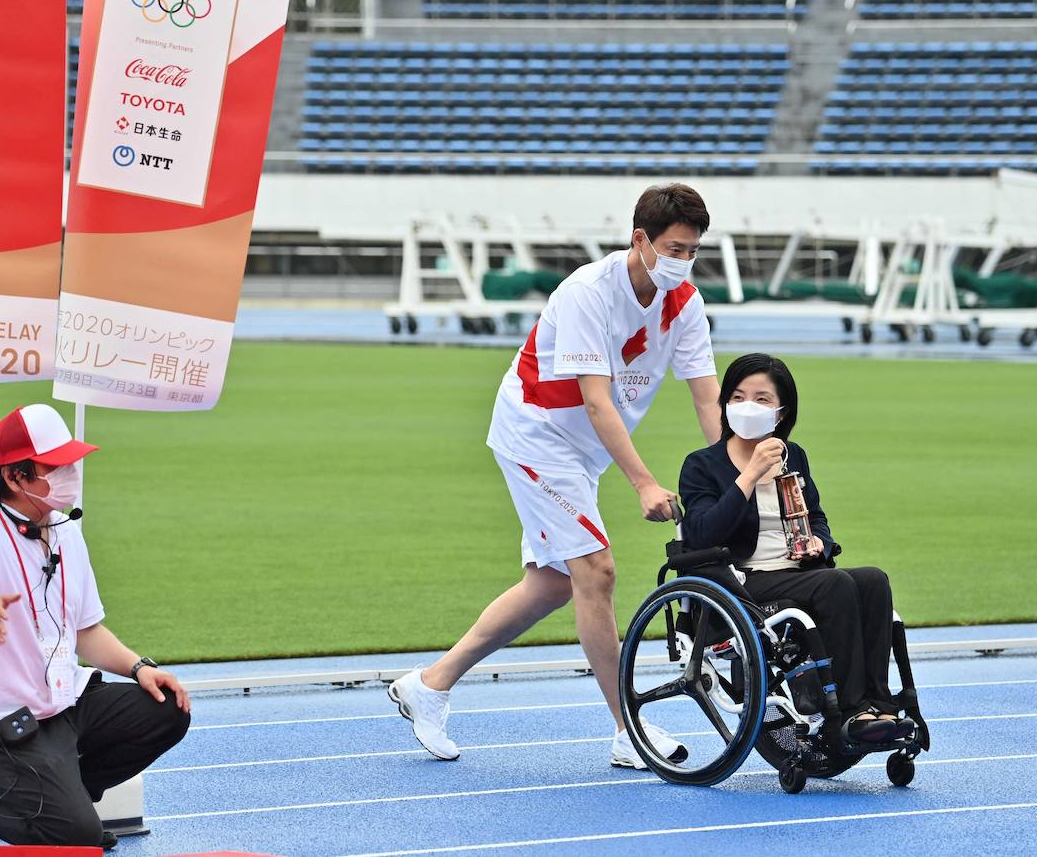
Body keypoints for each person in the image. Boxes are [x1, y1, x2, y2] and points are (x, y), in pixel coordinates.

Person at [389, 184, 722, 768]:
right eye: (674, 249)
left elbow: (706, 397)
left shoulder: (685, 304)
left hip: (583, 451)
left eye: (693, 252)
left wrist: (733, 473)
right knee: (596, 571)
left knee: (551, 584)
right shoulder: (588, 292)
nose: (683, 262)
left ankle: (430, 684)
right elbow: (596, 400)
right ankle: (628, 729)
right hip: (537, 432)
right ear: (640, 240)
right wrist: (643, 483)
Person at [0, 404, 192, 847]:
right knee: (78, 838)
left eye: (71, 462)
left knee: (167, 710)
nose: (71, 473)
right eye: (56, 466)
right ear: (15, 477)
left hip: (60, 703)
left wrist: (140, 667)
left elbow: (86, 631)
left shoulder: (65, 529)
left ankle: (65, 801)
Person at [677, 353, 913, 744]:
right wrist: (750, 474)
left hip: (797, 572)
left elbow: (816, 518)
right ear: (725, 404)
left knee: (873, 580)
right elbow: (702, 534)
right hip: (742, 580)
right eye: (737, 397)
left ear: (781, 412)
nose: (747, 406)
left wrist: (820, 542)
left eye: (761, 399)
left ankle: (879, 704)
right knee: (835, 584)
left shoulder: (793, 455)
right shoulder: (702, 465)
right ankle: (851, 711)